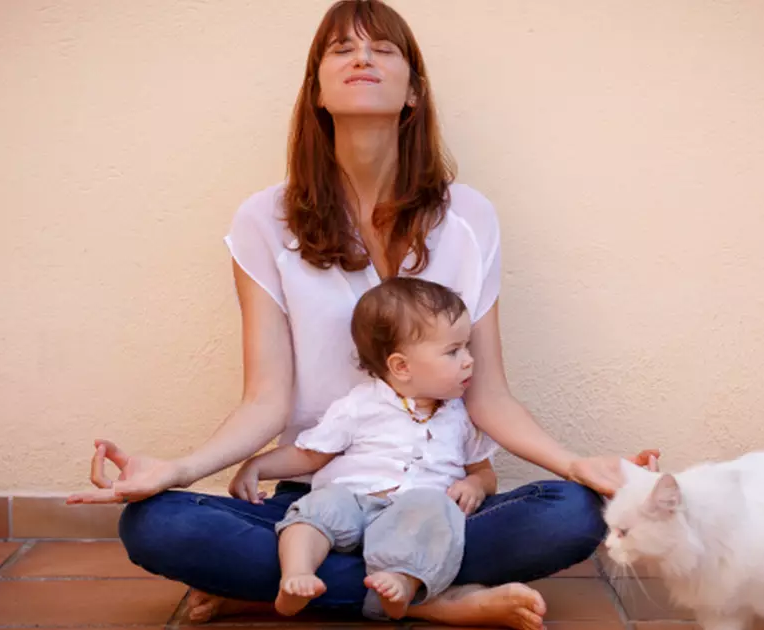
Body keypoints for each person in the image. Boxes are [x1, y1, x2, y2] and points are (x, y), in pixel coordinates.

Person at [67, 1, 659, 628]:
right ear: (316, 91)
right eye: (340, 48)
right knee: (158, 524)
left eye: (383, 48)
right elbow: (267, 399)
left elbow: (487, 394)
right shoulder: (263, 221)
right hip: (322, 498)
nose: (361, 57)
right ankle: (431, 595)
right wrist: (180, 469)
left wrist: (574, 465)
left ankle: (297, 587)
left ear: (413, 91)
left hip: (432, 505)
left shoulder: (470, 218)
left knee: (571, 511)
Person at [240, 277, 499, 620]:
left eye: (466, 347)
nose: (469, 360)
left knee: (435, 510)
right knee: (320, 505)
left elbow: (483, 473)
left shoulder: (461, 416)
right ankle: (297, 573)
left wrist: (474, 486)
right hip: (353, 501)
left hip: (410, 516)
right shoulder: (360, 405)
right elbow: (312, 454)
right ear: (401, 366)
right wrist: (258, 466)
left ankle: (400, 581)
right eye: (453, 352)